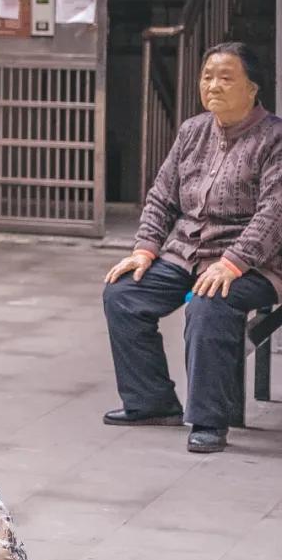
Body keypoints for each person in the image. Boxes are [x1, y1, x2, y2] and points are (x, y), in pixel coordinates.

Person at [103, 42, 282, 455]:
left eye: (226, 77)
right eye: (207, 76)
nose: (213, 86)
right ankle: (151, 402)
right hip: (185, 252)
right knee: (124, 292)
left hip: (254, 262)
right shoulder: (192, 131)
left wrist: (234, 262)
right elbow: (162, 196)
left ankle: (209, 420)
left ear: (253, 88)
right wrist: (145, 248)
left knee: (209, 304)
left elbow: (274, 214)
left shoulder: (274, 138)